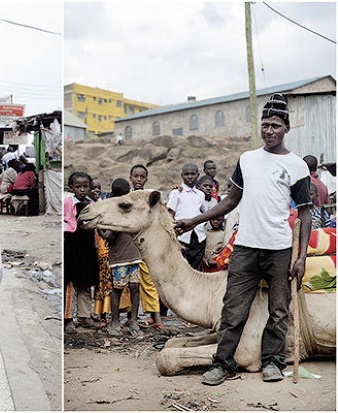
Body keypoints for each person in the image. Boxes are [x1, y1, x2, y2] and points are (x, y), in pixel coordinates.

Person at [175, 93, 312, 386]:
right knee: (233, 310)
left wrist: (300, 257)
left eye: (275, 125)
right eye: (265, 125)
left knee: (279, 310)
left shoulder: (297, 166)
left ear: (286, 128)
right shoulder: (247, 160)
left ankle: (272, 362)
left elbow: (305, 212)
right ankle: (222, 364)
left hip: (279, 249)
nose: (269, 131)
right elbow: (230, 200)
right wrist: (194, 220)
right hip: (245, 248)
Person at [101, 178, 143, 337]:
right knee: (127, 288)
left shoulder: (119, 211)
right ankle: (124, 321)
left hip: (129, 256)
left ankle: (126, 321)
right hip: (124, 257)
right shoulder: (119, 211)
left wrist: (99, 228)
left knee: (126, 288)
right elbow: (109, 236)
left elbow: (108, 235)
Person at [64, 172, 101, 333]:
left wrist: (96, 247)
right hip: (71, 249)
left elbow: (96, 229)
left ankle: (84, 316)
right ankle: (68, 318)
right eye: (78, 186)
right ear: (71, 187)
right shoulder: (67, 203)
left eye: (85, 186)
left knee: (85, 284)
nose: (82, 189)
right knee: (70, 285)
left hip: (87, 249)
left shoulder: (92, 205)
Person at [128, 164, 164, 330]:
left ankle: (156, 317)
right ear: (130, 178)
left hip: (146, 245)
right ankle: (131, 317)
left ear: (146, 179)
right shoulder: (126, 198)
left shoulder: (151, 198)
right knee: (130, 284)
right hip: (129, 247)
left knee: (149, 282)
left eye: (142, 177)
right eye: (136, 176)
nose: (139, 179)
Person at [167, 163, 207, 271]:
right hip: (181, 236)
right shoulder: (176, 193)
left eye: (192, 174)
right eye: (186, 174)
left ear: (198, 175)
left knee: (196, 269)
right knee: (181, 269)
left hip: (199, 237)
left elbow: (205, 213)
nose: (189, 177)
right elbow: (169, 214)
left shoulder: (200, 194)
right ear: (182, 175)